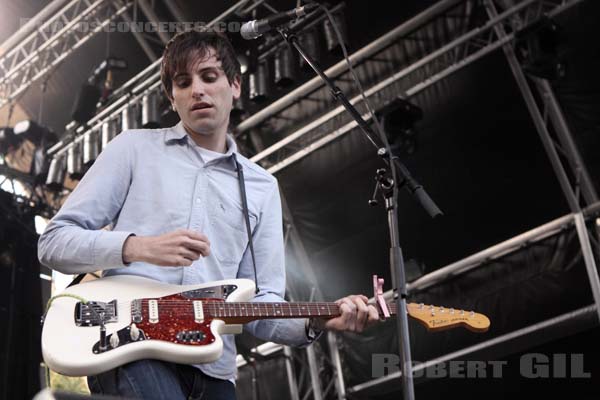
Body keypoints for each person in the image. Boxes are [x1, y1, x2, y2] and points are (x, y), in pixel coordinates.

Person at [38, 29, 379, 400]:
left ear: (234, 86)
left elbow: (262, 306)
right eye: (184, 83)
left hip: (214, 369)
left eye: (209, 77)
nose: (197, 90)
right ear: (173, 97)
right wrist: (138, 248)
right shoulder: (133, 149)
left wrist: (318, 318)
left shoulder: (261, 186)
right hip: (129, 347)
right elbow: (53, 243)